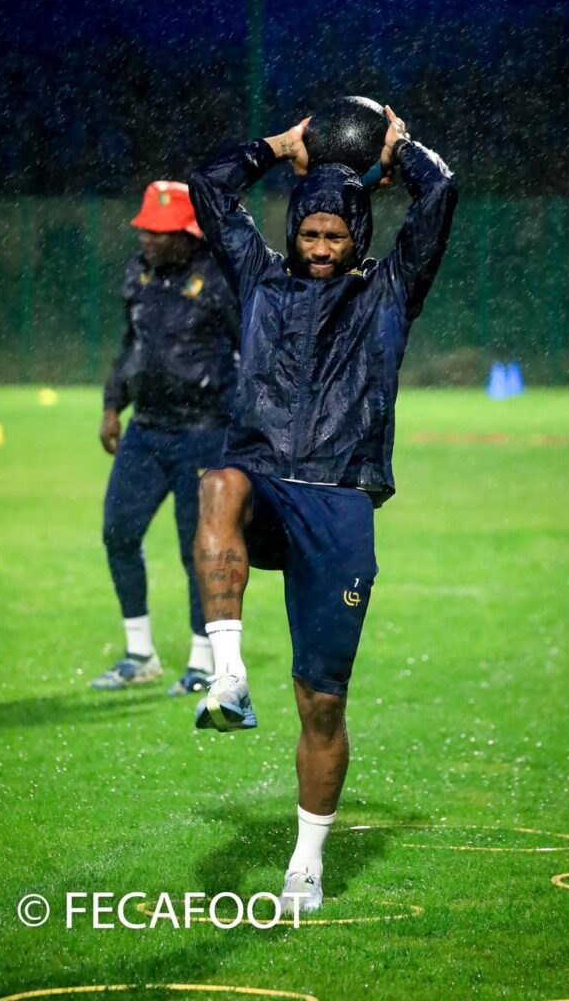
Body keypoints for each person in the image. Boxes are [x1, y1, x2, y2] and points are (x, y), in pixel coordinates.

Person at [187, 107, 458, 911]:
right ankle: (227, 673)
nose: (318, 248)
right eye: (308, 234)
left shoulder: (390, 290)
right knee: (218, 483)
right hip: (264, 477)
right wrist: (277, 147)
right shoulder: (258, 274)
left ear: (357, 237)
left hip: (338, 498)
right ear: (292, 232)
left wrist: (399, 150)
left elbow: (441, 195)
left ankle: (305, 865)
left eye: (334, 236)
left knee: (323, 701)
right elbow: (207, 187)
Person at [92, 181, 240, 695]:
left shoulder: (219, 277)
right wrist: (113, 405)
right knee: (118, 532)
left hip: (205, 433)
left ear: (188, 235)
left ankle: (202, 661)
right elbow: (130, 345)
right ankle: (140, 654)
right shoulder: (136, 273)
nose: (149, 240)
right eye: (146, 231)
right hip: (147, 429)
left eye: (161, 233)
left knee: (197, 549)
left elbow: (251, 348)